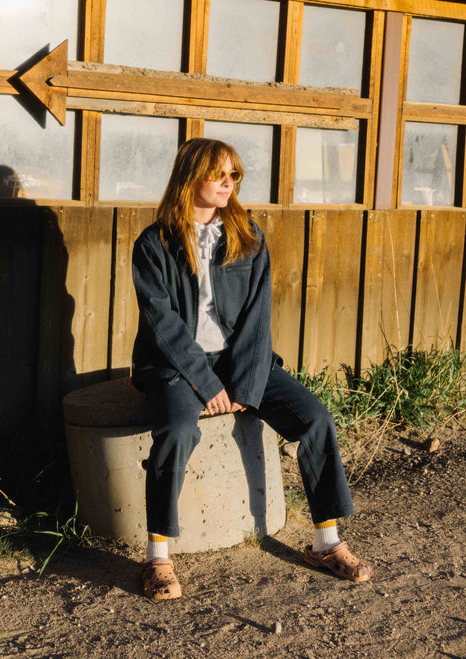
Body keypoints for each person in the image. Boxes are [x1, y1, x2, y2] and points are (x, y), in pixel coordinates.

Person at [131, 138, 371, 600]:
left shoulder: (249, 236)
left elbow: (258, 320)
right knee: (178, 430)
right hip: (176, 365)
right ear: (190, 176)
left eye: (234, 175)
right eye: (218, 174)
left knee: (316, 419)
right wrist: (204, 382)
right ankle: (157, 556)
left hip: (240, 360)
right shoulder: (155, 242)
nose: (228, 183)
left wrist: (243, 382)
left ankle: (326, 542)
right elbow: (162, 323)